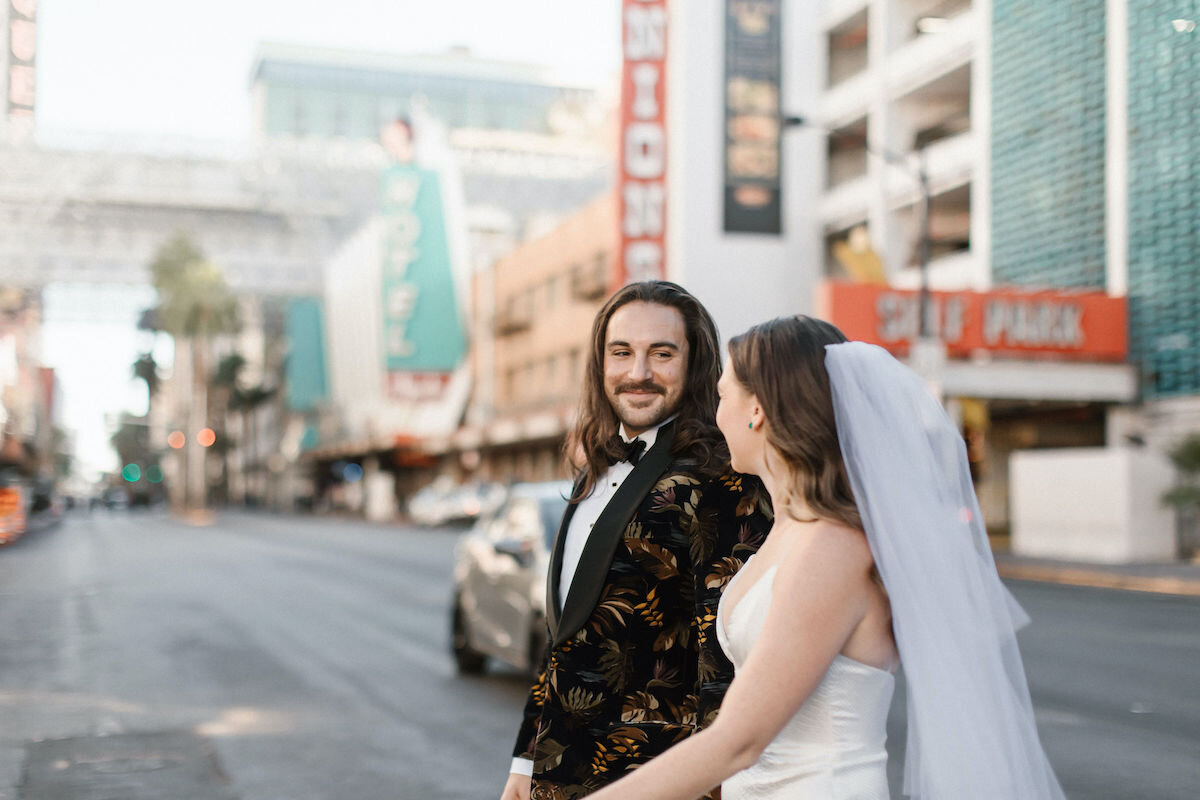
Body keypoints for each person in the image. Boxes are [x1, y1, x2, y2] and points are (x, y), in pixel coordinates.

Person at [588, 315, 1067, 800]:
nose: (716, 415)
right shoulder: (791, 529)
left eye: (722, 395)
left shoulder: (833, 547)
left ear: (756, 408)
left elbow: (739, 740)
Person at [500, 281, 773, 800]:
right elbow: (566, 634)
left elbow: (729, 662)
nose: (638, 373)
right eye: (621, 352)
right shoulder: (592, 468)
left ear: (694, 364)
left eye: (662, 354)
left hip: (660, 784)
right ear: (600, 362)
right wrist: (526, 759)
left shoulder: (722, 479)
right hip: (560, 778)